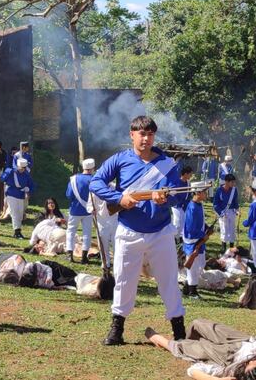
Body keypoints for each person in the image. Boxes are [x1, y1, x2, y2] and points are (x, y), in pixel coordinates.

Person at [90, 115, 186, 346]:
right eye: (141, 134)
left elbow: (178, 195)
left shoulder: (168, 164)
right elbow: (96, 182)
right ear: (132, 135)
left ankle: (179, 330)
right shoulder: (119, 160)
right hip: (129, 230)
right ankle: (117, 329)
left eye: (150, 134)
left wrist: (165, 199)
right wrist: (119, 198)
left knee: (169, 281)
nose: (146, 139)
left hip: (160, 231)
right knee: (124, 280)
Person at [144, 319, 256, 380]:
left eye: (253, 365)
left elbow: (194, 371)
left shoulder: (233, 373)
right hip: (247, 342)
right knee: (197, 324)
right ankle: (189, 343)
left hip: (227, 357)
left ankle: (159, 339)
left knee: (185, 347)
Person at [183, 181, 210, 299]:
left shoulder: (199, 205)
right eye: (204, 192)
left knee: (201, 264)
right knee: (193, 267)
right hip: (193, 240)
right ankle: (192, 291)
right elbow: (190, 229)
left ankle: (187, 285)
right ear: (198, 193)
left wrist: (207, 228)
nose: (206, 194)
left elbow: (200, 222)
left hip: (199, 239)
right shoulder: (192, 207)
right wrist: (202, 234)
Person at [66, 158, 95, 263]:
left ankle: (69, 255)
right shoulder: (94, 179)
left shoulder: (73, 179)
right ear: (92, 168)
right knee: (87, 233)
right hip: (88, 211)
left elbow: (69, 195)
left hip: (75, 209)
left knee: (71, 232)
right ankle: (84, 256)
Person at [88, 181, 118, 269]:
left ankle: (117, 263)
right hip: (101, 220)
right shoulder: (95, 189)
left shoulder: (114, 187)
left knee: (116, 243)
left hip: (114, 218)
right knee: (103, 243)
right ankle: (106, 263)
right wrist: (91, 209)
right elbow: (89, 204)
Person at [1, 157, 34, 238]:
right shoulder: (11, 171)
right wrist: (8, 173)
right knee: (14, 212)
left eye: (24, 168)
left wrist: (28, 190)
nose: (23, 169)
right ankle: (17, 231)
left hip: (21, 195)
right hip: (11, 194)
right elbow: (2, 178)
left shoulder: (26, 174)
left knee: (20, 213)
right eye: (21, 167)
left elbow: (31, 185)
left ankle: (18, 230)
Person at [213, 174, 239, 252]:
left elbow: (235, 202)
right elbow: (215, 204)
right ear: (226, 182)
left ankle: (231, 248)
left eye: (234, 182)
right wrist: (221, 213)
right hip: (222, 212)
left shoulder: (234, 190)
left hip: (231, 212)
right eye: (232, 182)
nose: (233, 184)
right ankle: (223, 248)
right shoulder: (219, 190)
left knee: (232, 230)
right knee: (224, 229)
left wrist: (237, 210)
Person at [172, 166, 194, 243]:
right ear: (185, 174)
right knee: (177, 222)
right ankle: (174, 238)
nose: (191, 176)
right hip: (176, 205)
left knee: (183, 222)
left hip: (184, 205)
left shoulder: (188, 183)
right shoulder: (176, 182)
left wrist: (187, 204)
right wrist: (179, 203)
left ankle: (181, 237)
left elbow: (189, 195)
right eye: (190, 174)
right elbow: (173, 195)